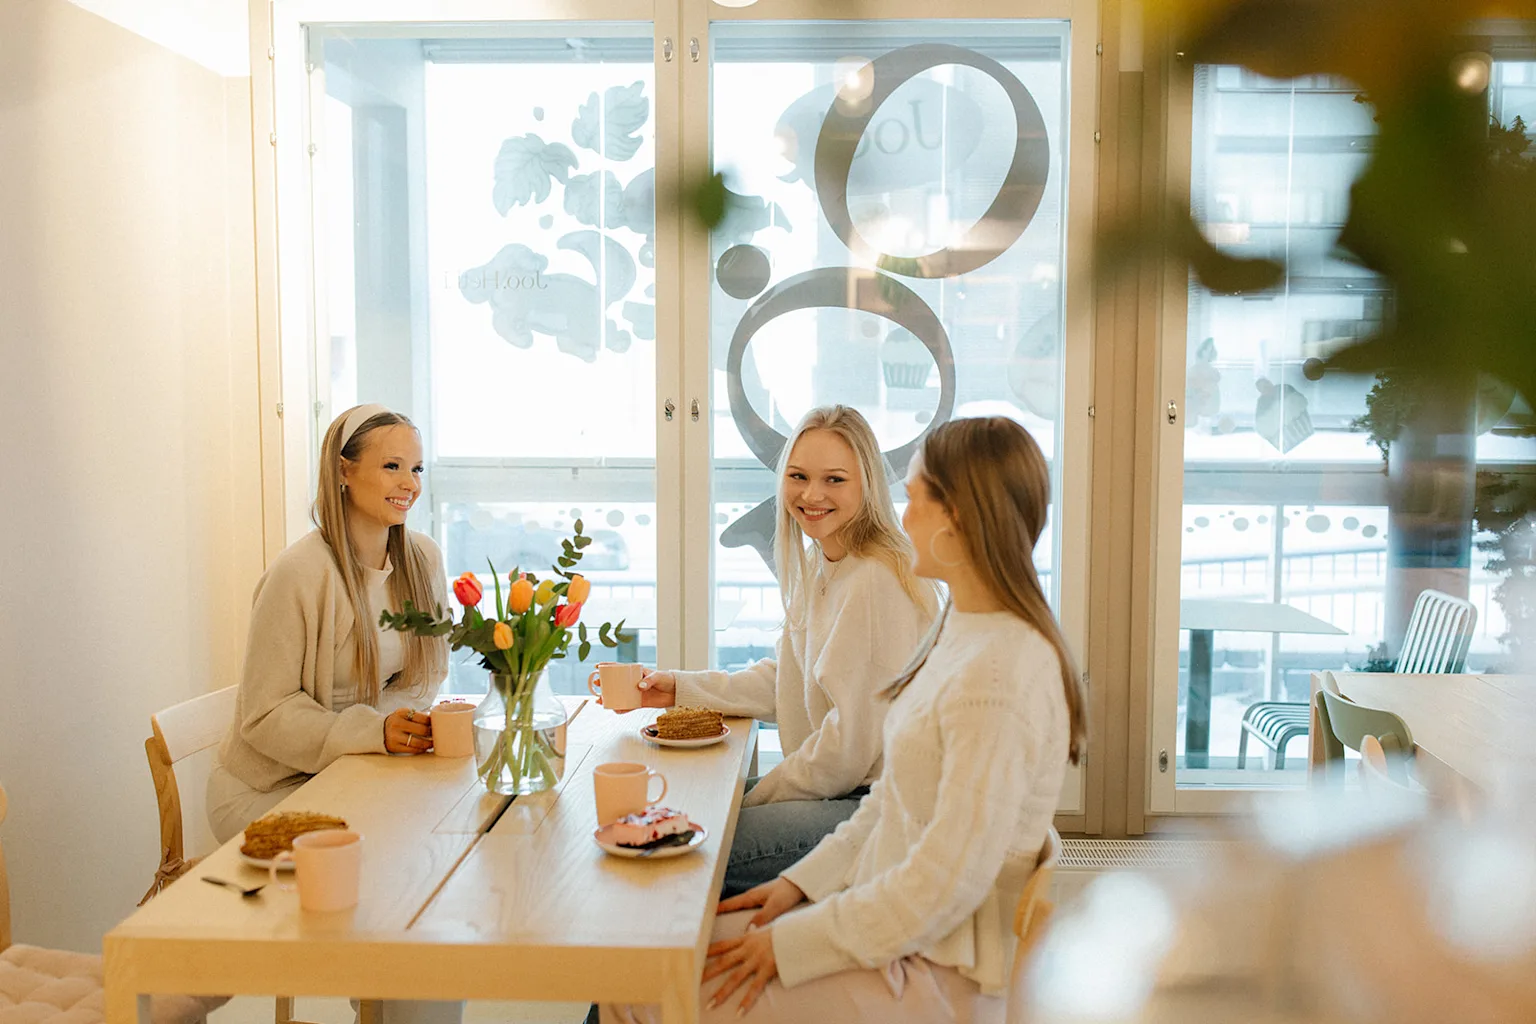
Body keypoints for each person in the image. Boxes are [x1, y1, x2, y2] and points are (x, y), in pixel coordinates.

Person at [604, 415, 1086, 1024]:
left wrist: (789, 943)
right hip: (899, 928)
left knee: (642, 989)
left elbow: (942, 884)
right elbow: (890, 804)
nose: (902, 515)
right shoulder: (964, 630)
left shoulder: (996, 677)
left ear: (960, 518)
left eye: (915, 497)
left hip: (933, 966)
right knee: (638, 964)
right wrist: (799, 885)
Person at [206, 404, 459, 1024]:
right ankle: (387, 1001)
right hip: (271, 786)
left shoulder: (422, 559)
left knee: (434, 864)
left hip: (357, 771)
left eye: (416, 468)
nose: (409, 484)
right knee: (394, 871)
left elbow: (425, 675)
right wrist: (373, 732)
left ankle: (398, 1003)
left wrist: (392, 730)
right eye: (392, 466)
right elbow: (264, 714)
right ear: (344, 472)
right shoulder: (298, 574)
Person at [635, 406, 939, 896]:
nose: (811, 495)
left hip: (876, 809)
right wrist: (679, 688)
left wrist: (749, 800)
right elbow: (791, 682)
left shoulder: (876, 580)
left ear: (867, 484)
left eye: (834, 479)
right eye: (798, 477)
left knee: (683, 849)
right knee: (673, 820)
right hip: (841, 793)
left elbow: (847, 749)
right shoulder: (825, 564)